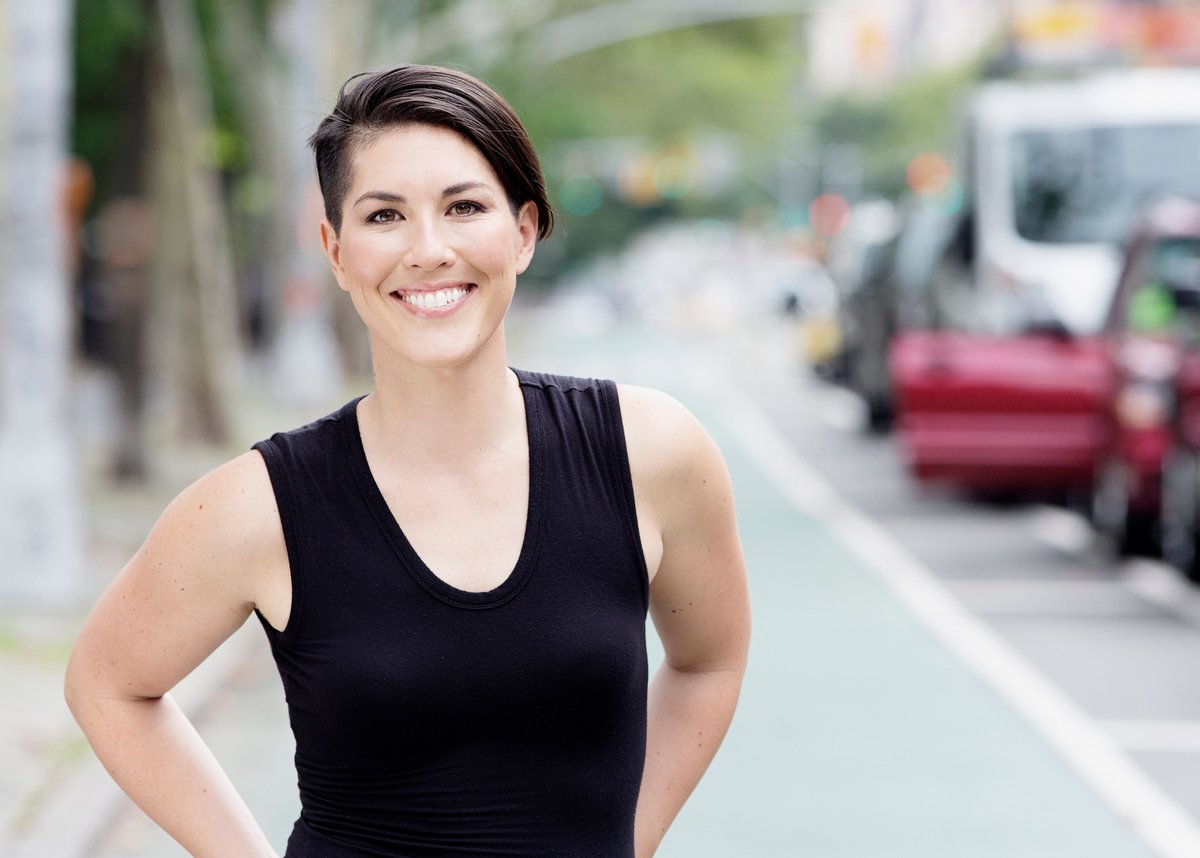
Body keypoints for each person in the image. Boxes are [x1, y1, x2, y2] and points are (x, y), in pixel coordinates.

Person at [65, 63, 751, 857]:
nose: (429, 250)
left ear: (523, 231)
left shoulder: (651, 453)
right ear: (335, 249)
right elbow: (107, 683)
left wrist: (628, 839)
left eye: (464, 207)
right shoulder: (260, 508)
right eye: (384, 215)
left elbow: (709, 662)